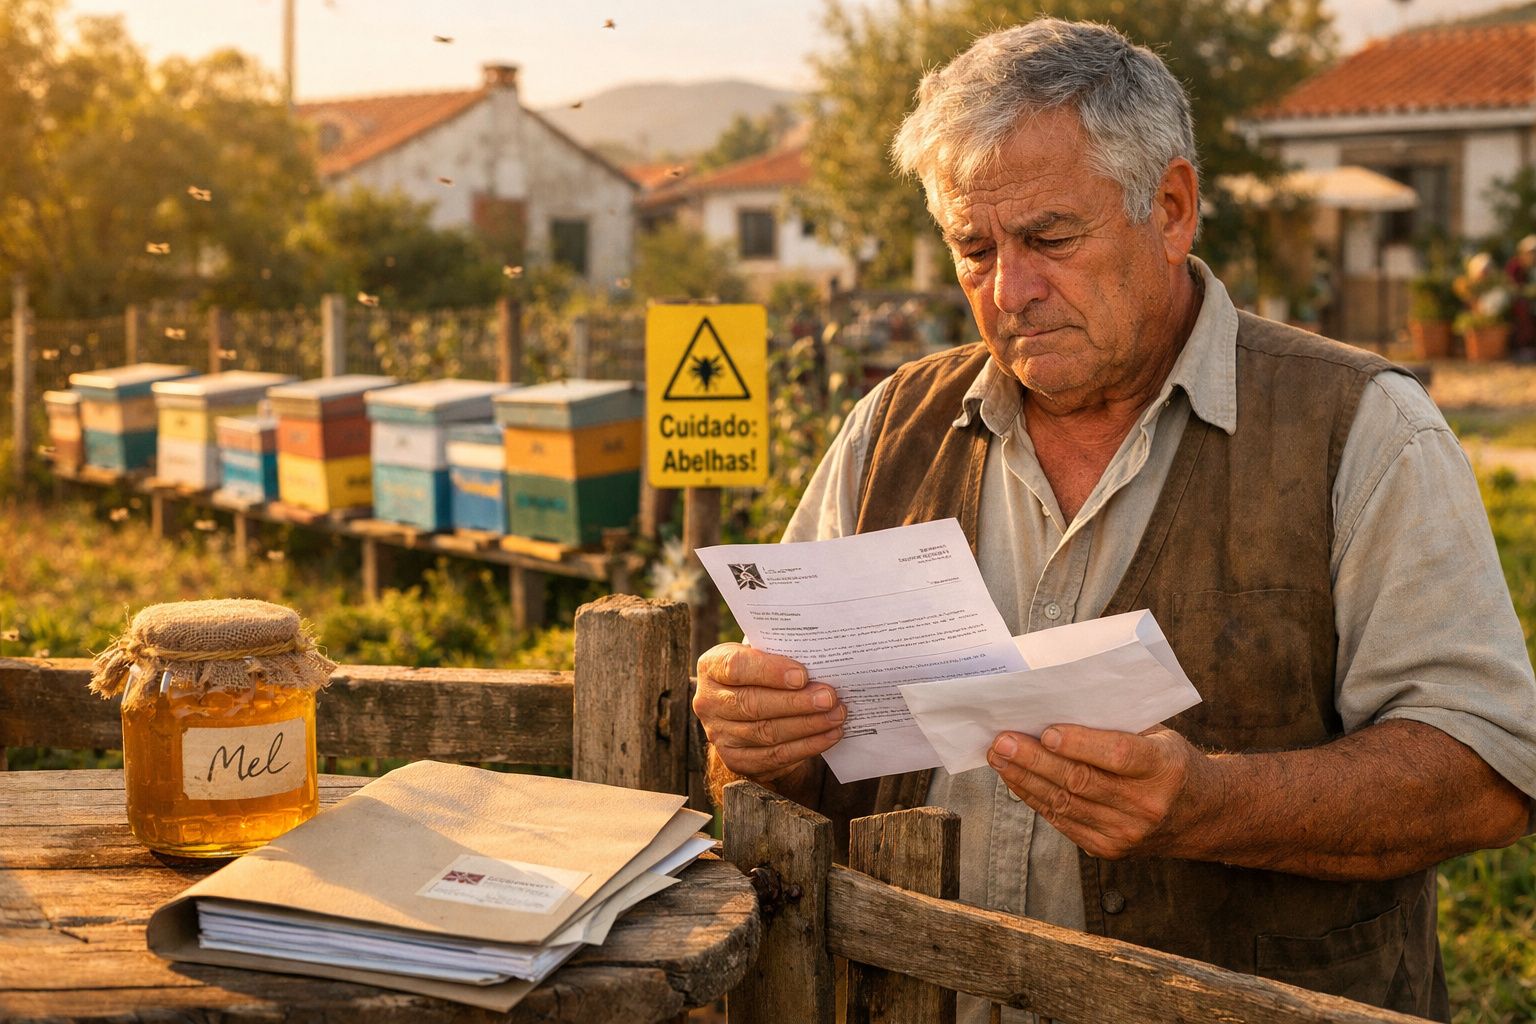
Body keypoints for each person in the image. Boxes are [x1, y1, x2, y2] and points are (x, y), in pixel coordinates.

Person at [692, 17, 1536, 1022]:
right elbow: (754, 771)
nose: (1012, 290)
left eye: (1051, 237)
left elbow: (1487, 771)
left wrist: (1211, 805)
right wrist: (756, 738)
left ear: (1171, 209)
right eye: (975, 248)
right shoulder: (889, 428)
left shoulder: (1362, 429)